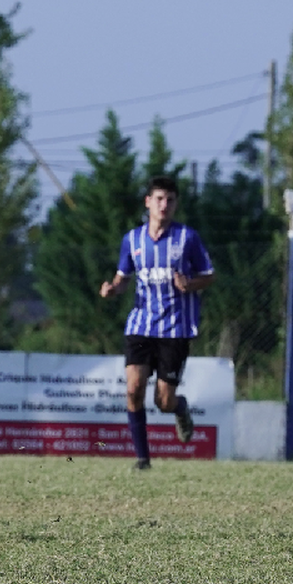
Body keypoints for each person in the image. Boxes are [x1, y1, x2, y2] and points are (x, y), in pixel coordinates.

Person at [98, 174, 216, 471]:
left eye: (171, 200)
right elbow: (123, 278)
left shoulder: (187, 238)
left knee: (163, 400)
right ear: (148, 202)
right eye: (159, 199)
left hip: (176, 328)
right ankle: (143, 460)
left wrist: (190, 285)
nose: (165, 205)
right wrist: (113, 289)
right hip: (140, 324)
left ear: (176, 204)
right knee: (134, 388)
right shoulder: (133, 239)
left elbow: (209, 275)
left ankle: (179, 407)